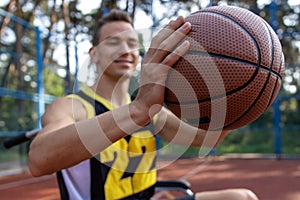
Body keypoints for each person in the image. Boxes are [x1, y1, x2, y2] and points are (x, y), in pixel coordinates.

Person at [28, 9, 258, 200]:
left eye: (131, 43)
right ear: (94, 54)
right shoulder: (72, 106)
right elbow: (39, 160)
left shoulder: (153, 112)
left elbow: (205, 138)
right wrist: (138, 111)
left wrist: (240, 97)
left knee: (242, 197)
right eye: (113, 42)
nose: (125, 50)